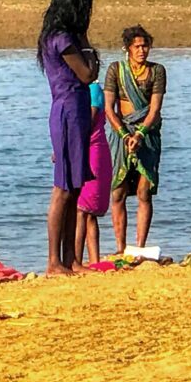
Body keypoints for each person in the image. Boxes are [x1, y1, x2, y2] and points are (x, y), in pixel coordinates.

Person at [37, 0, 100, 275]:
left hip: (75, 110)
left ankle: (71, 259)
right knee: (63, 188)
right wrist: (87, 43)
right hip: (68, 111)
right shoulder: (61, 39)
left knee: (75, 187)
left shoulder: (60, 37)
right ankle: (54, 262)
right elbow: (87, 74)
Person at [105, 26, 166, 254]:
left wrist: (140, 133)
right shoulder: (115, 70)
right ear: (128, 48)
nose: (142, 51)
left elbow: (155, 109)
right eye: (137, 46)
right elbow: (109, 109)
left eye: (145, 46)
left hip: (147, 134)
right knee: (118, 191)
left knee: (144, 191)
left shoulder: (157, 71)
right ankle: (120, 248)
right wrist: (124, 134)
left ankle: (139, 247)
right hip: (121, 133)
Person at [75, 79, 113, 265]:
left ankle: (75, 259)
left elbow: (87, 123)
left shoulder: (93, 89)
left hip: (93, 152)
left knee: (83, 209)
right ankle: (92, 260)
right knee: (85, 211)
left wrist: (67, 147)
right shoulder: (79, 90)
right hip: (84, 150)